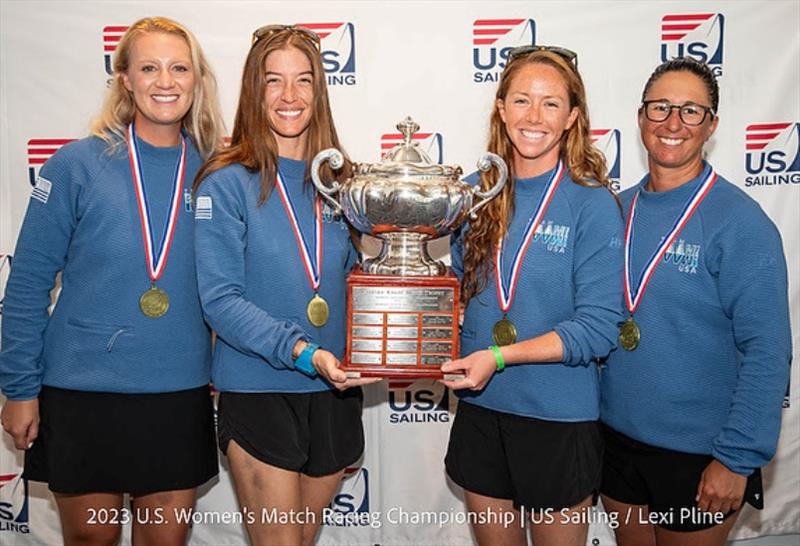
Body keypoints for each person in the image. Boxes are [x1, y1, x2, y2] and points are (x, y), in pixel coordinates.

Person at [0, 16, 224, 546]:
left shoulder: (218, 170)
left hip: (177, 392)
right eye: (148, 67)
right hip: (82, 393)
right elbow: (28, 283)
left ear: (196, 80)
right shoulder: (76, 165)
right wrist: (18, 389)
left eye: (178, 68)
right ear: (124, 78)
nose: (164, 82)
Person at [192, 25, 377, 546]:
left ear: (320, 91)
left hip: (332, 390)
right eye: (274, 81)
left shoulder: (344, 186)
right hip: (260, 386)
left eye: (303, 81)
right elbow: (221, 302)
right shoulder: (226, 181)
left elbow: (359, 280)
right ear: (255, 90)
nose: (290, 96)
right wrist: (302, 352)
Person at [599, 57, 791, 546]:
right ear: (641, 117)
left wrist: (736, 459)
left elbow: (768, 350)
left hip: (701, 454)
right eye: (660, 107)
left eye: (690, 111)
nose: (672, 123)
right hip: (615, 441)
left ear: (712, 125)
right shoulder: (615, 211)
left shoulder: (740, 225)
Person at [441, 46, 624, 546]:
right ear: (501, 109)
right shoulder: (474, 193)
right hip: (482, 409)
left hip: (557, 417)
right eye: (521, 100)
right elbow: (457, 289)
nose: (534, 117)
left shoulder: (591, 203)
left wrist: (498, 356)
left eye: (550, 104)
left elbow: (599, 328)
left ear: (572, 117)